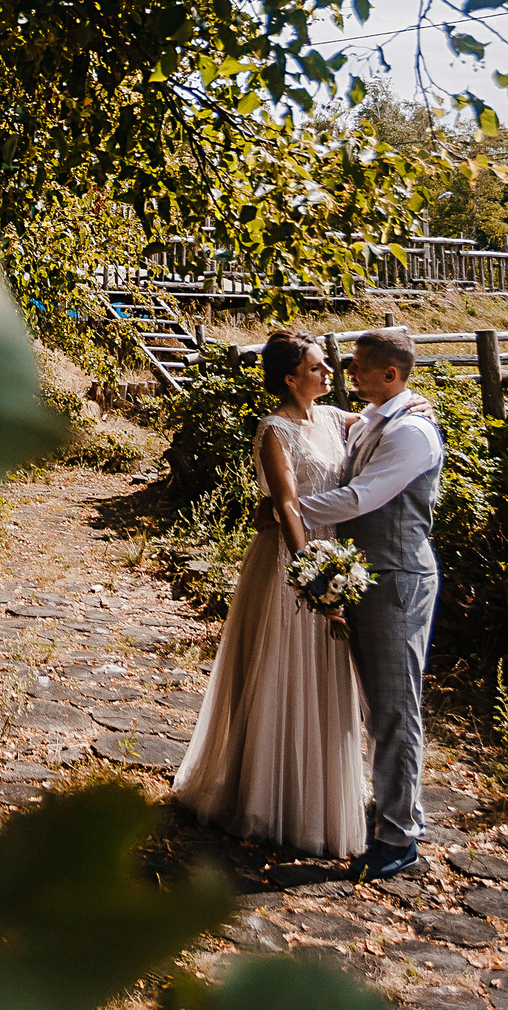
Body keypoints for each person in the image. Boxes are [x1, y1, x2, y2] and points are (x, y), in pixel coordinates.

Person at [171, 329, 368, 858]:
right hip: (290, 558)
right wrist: (312, 573)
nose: (330, 374)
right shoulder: (274, 430)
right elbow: (284, 504)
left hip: (330, 553)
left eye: (327, 366)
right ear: (290, 377)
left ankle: (312, 796)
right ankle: (261, 795)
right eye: (318, 367)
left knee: (323, 676)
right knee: (280, 670)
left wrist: (412, 401)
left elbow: (380, 421)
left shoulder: (333, 420)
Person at [294, 327, 444, 883]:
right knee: (375, 702)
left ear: (391, 374)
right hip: (365, 576)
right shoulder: (377, 418)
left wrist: (289, 512)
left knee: (395, 707)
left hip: (398, 580)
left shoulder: (412, 433)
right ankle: (393, 810)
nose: (348, 371)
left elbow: (363, 497)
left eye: (358, 366)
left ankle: (399, 838)